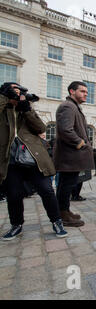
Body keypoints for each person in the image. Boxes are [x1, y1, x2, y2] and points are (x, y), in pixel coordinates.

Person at [0, 82, 67, 239]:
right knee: (14, 194)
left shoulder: (25, 110)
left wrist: (26, 109)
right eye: (14, 92)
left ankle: (57, 221)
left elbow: (40, 128)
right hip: (10, 160)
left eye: (20, 92)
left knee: (47, 190)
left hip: (33, 158)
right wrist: (4, 99)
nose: (18, 95)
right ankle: (16, 224)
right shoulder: (4, 109)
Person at [54, 81, 94, 228]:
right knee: (65, 186)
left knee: (67, 185)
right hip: (69, 156)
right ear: (72, 91)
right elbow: (66, 130)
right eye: (82, 91)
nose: (85, 94)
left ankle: (64, 211)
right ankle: (62, 215)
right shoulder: (67, 106)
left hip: (71, 156)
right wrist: (80, 143)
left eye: (86, 92)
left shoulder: (74, 106)